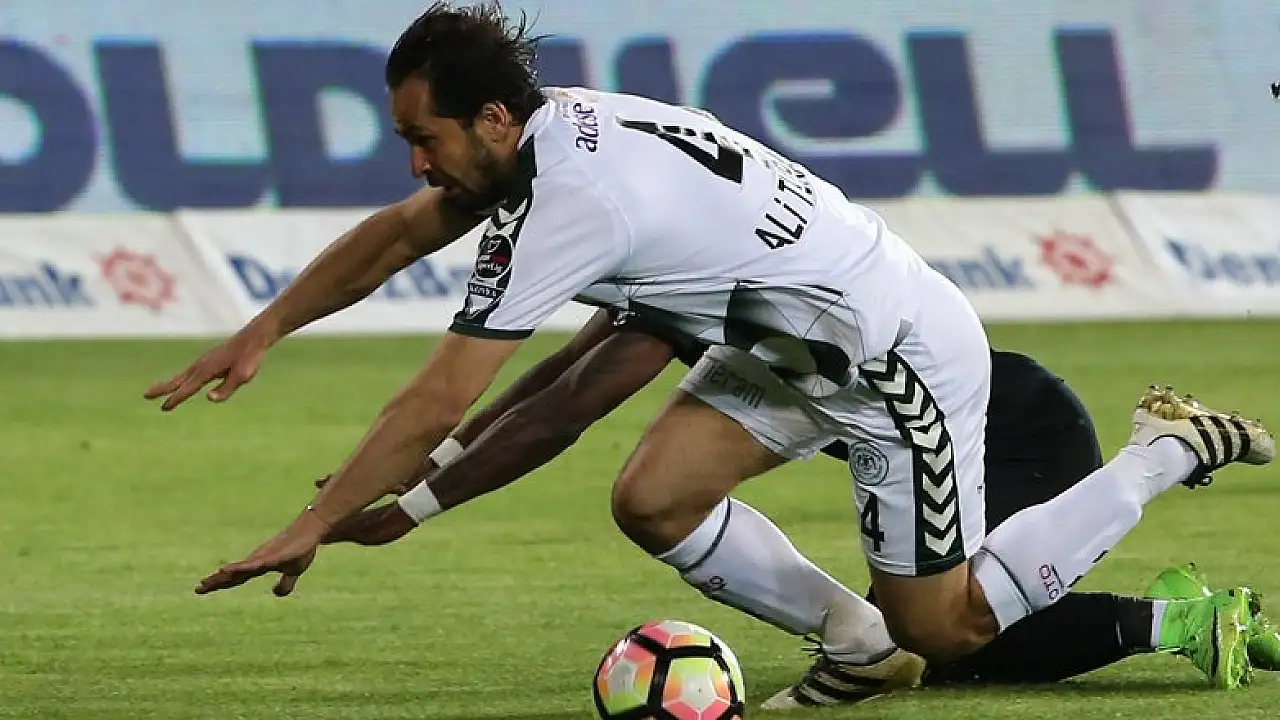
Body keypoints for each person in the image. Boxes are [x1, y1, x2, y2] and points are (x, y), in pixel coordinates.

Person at [147, 1, 1274, 704]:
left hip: (894, 366)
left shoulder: (577, 201)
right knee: (653, 498)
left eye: (421, 138)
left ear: (490, 119)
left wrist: (328, 518)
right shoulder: (551, 136)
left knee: (949, 624)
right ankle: (857, 647)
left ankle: (1158, 454)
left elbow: (472, 398)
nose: (415, 165)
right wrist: (263, 330)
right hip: (789, 344)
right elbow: (418, 251)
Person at [303, 312, 1280, 704]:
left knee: (960, 639)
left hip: (1013, 430)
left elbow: (566, 405)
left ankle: (1172, 537)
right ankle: (867, 643)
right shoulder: (657, 295)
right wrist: (433, 459)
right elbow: (560, 375)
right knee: (933, 640)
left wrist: (420, 491)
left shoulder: (693, 295)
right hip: (943, 431)